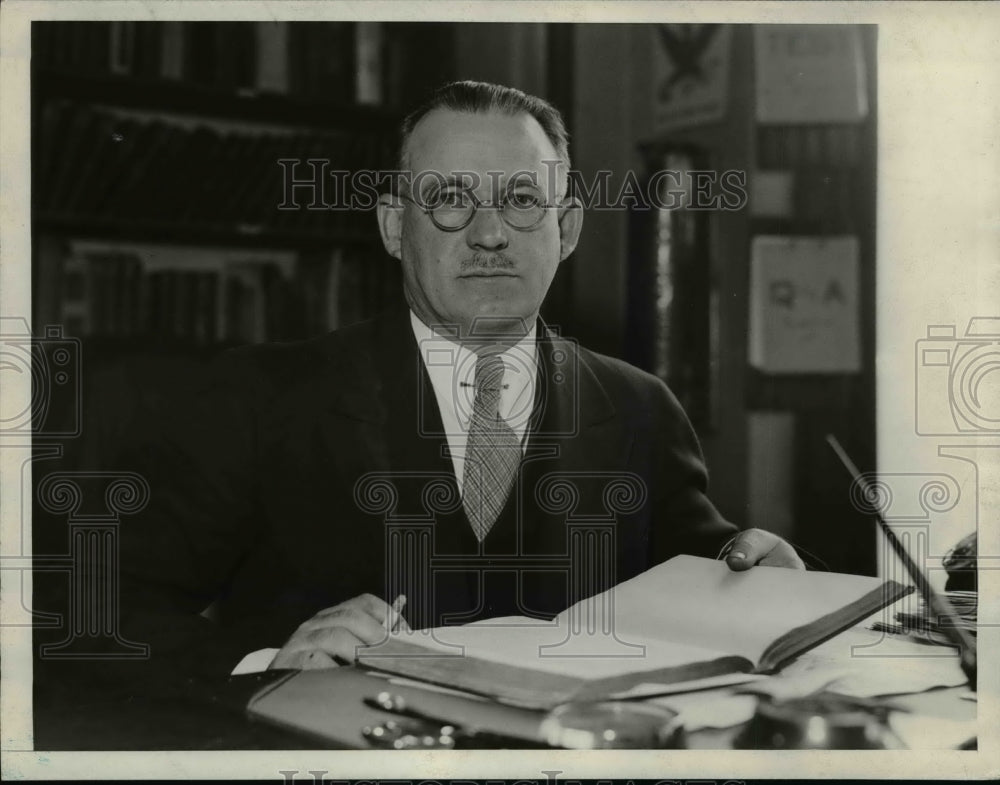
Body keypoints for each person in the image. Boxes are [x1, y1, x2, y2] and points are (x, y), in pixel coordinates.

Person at [116, 81, 803, 678]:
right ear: (393, 226)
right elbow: (105, 610)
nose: (490, 234)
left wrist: (767, 578)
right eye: (449, 199)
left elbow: (717, 584)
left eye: (522, 200)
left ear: (566, 229)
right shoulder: (261, 396)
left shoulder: (638, 409)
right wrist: (267, 665)